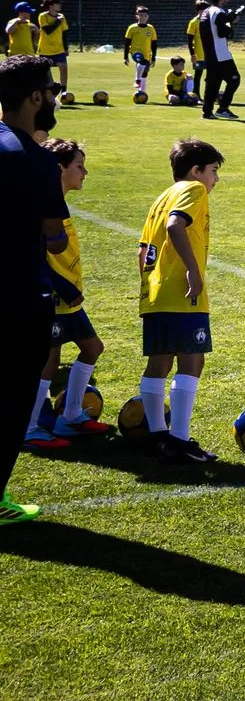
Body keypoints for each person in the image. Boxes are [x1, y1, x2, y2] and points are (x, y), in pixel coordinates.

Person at [0, 57, 74, 522]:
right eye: (49, 91)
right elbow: (56, 235)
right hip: (17, 295)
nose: (54, 97)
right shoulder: (36, 160)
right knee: (10, 403)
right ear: (33, 98)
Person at [137, 137, 225, 464]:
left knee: (159, 361)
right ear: (196, 170)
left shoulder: (161, 197)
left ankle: (158, 436)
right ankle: (180, 439)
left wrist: (150, 283)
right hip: (180, 291)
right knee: (193, 360)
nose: (215, 179)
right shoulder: (193, 190)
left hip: (157, 292)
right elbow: (177, 226)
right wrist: (192, 271)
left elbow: (143, 249)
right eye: (213, 171)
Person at [38, 139, 107, 443]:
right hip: (53, 297)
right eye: (78, 165)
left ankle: (71, 417)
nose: (85, 171)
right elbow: (32, 253)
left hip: (69, 301)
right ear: (59, 168)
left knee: (92, 348)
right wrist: (61, 285)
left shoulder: (57, 200)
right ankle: (28, 429)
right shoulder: (40, 202)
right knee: (48, 361)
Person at [196, 0, 242, 120]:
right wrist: (232, 24)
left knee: (212, 83)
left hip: (209, 55)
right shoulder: (218, 11)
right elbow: (222, 33)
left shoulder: (205, 12)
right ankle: (223, 108)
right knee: (234, 79)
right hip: (221, 54)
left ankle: (207, 112)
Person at [35, 0, 70, 94]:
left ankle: (64, 92)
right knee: (45, 72)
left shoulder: (61, 17)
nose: (59, 5)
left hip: (58, 49)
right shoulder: (43, 16)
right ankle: (50, 90)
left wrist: (66, 48)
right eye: (57, 4)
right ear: (50, 6)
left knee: (64, 69)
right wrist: (58, 21)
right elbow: (48, 31)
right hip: (45, 49)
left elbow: (64, 34)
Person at [124, 6, 158, 101]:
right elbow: (127, 43)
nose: (143, 17)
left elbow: (154, 44)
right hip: (135, 52)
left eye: (145, 15)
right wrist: (125, 57)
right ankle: (137, 80)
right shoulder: (132, 28)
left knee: (145, 72)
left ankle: (142, 92)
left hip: (147, 54)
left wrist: (153, 58)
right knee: (141, 61)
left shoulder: (151, 29)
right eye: (141, 15)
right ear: (137, 16)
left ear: (148, 17)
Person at [186, 0, 210, 98]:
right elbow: (189, 40)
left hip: (209, 54)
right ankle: (197, 95)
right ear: (199, 10)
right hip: (198, 54)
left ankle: (209, 95)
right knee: (198, 75)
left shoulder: (208, 22)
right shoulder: (193, 22)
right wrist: (192, 54)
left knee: (211, 76)